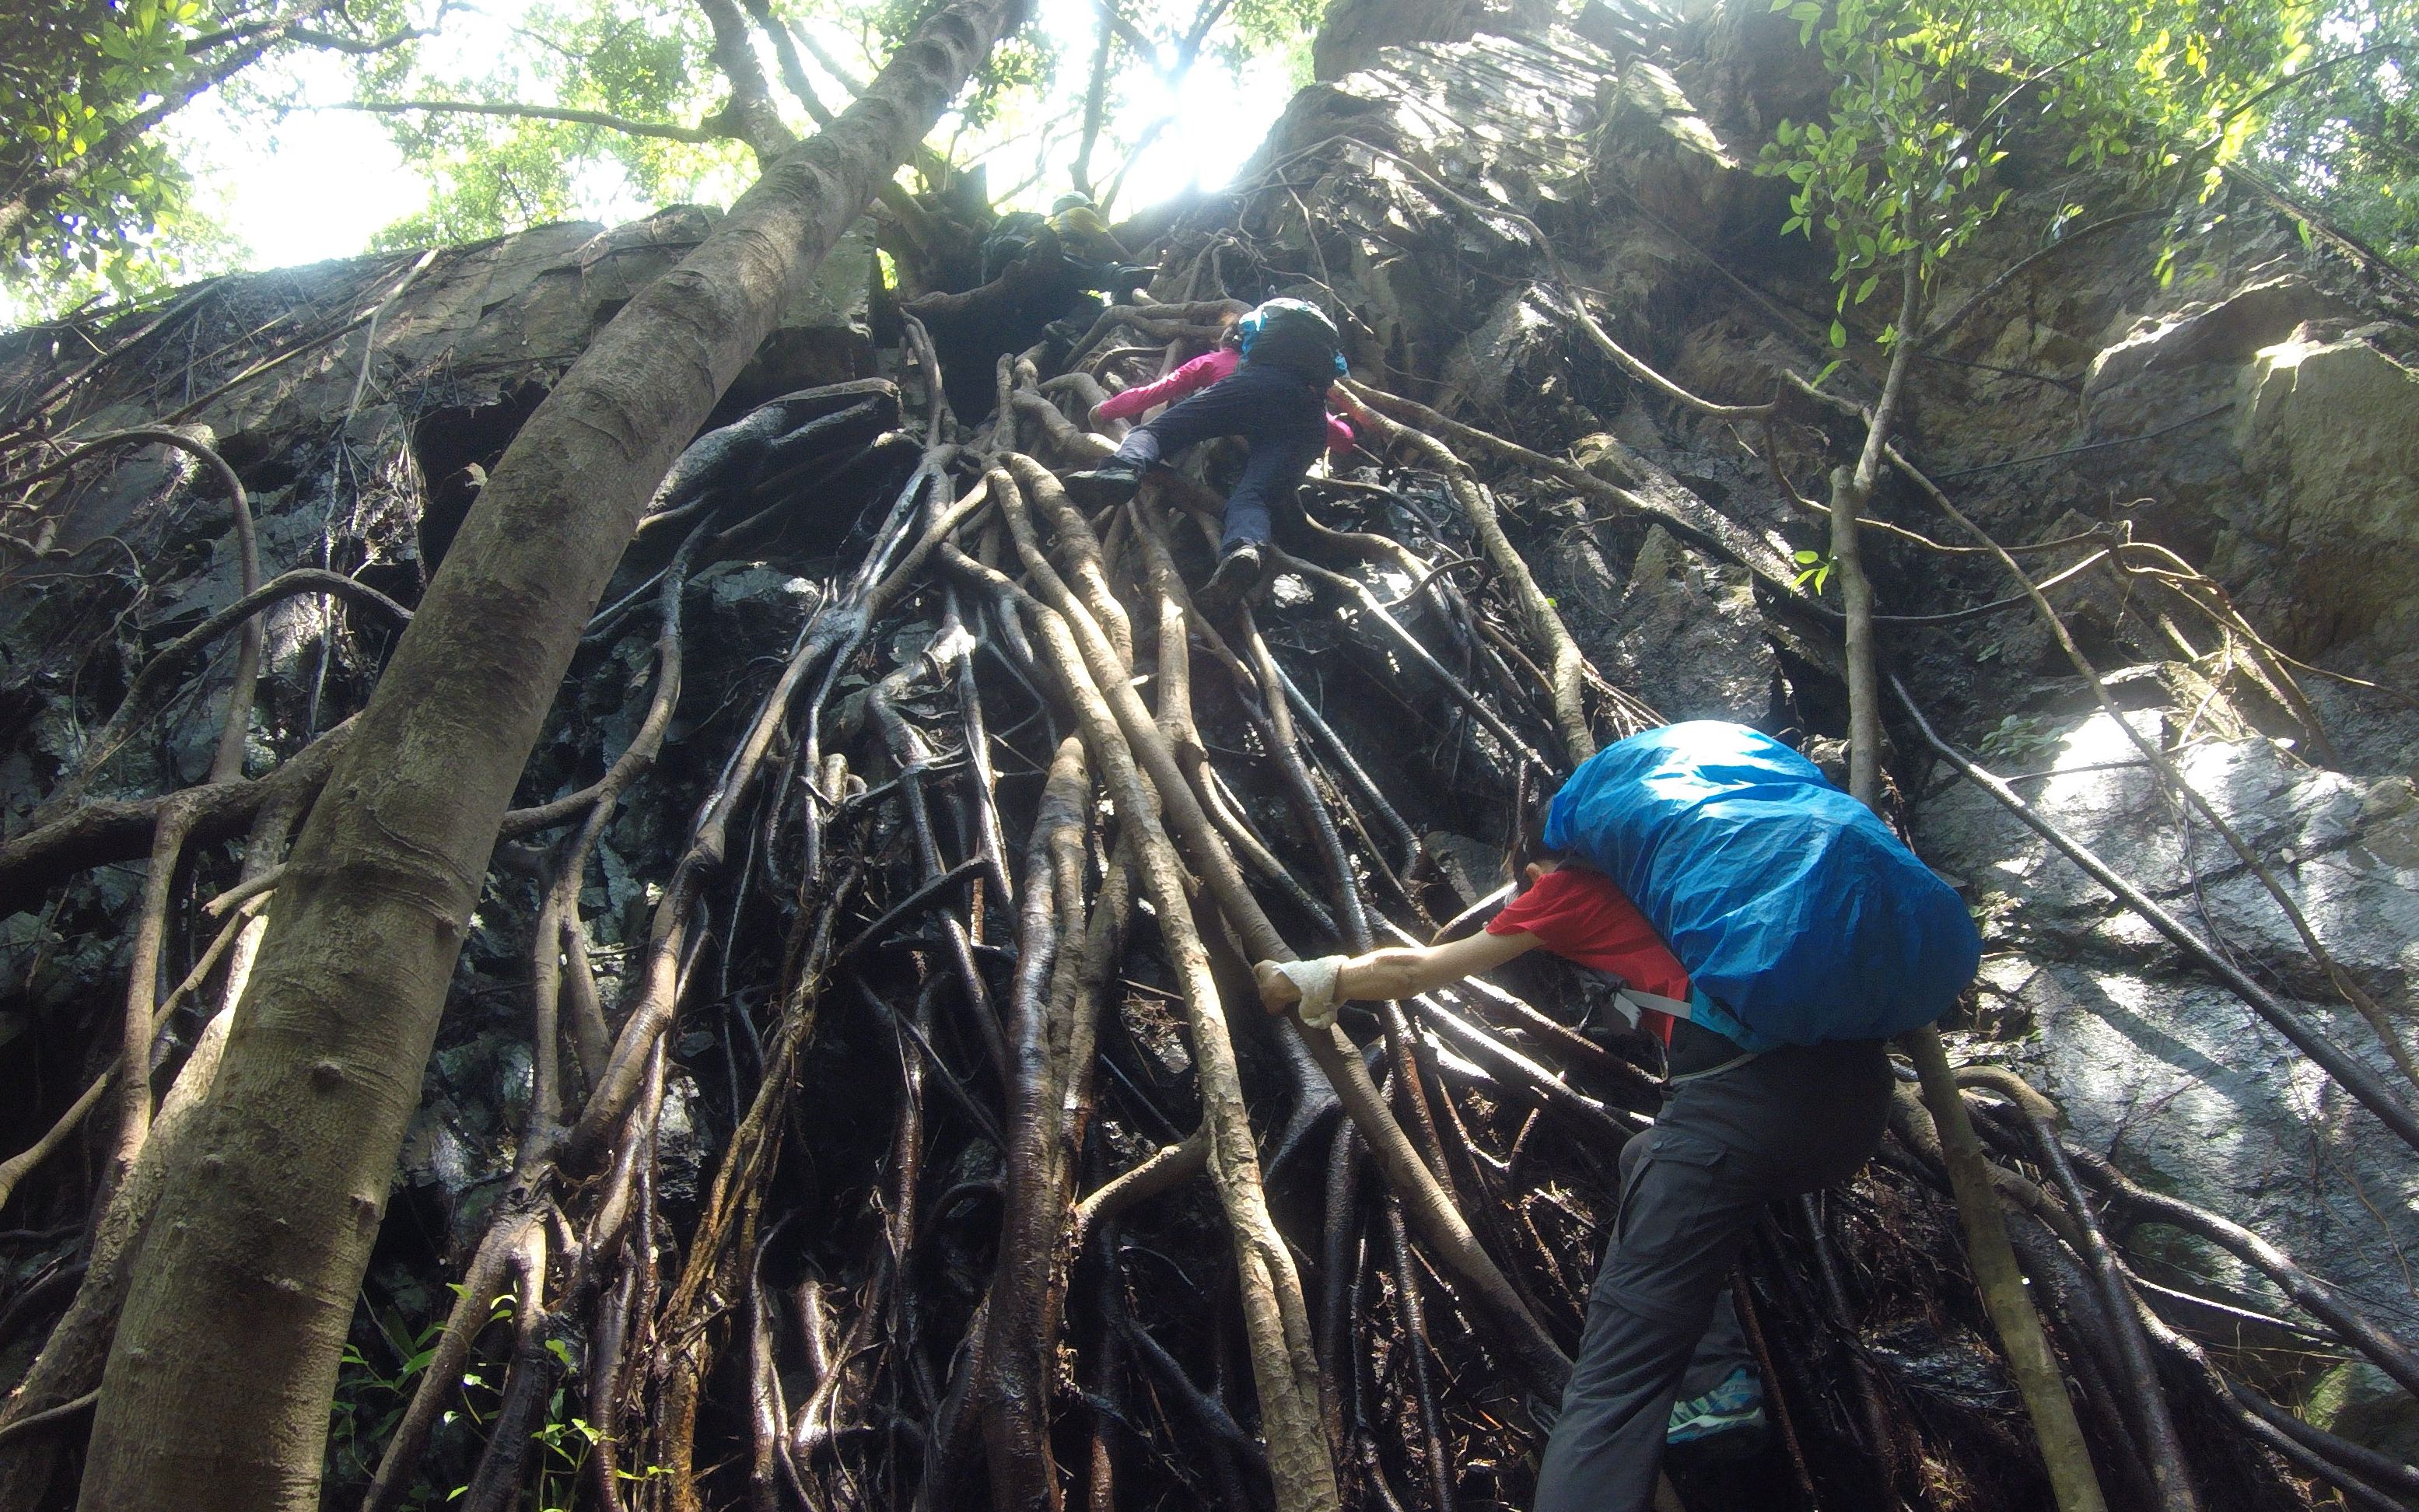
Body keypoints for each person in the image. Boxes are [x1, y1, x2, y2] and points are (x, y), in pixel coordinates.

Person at [1255, 722, 1978, 1511]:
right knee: (1646, 1162)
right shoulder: (1711, 892)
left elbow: (1417, 967)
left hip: (1743, 1111)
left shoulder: (1568, 892)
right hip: (1854, 1107)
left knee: (1611, 1388)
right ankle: (1712, 1388)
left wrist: (1310, 977)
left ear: (1544, 860)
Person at [1064, 297, 1351, 611]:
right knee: (1253, 497)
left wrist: (1104, 410)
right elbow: (1344, 440)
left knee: (1152, 434)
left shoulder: (1215, 362)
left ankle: (1122, 470)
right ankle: (1245, 550)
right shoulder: (1304, 386)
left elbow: (1153, 393)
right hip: (1308, 419)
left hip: (1248, 392)